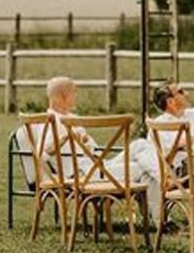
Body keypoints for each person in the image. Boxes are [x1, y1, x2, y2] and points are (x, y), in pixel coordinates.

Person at [44, 76, 161, 220]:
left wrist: (84, 141)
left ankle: (163, 176)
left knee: (140, 145)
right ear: (63, 96)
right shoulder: (51, 120)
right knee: (143, 169)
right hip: (85, 174)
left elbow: (91, 147)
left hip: (99, 165)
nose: (76, 96)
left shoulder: (71, 117)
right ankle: (161, 218)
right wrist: (66, 137)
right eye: (74, 93)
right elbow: (46, 150)